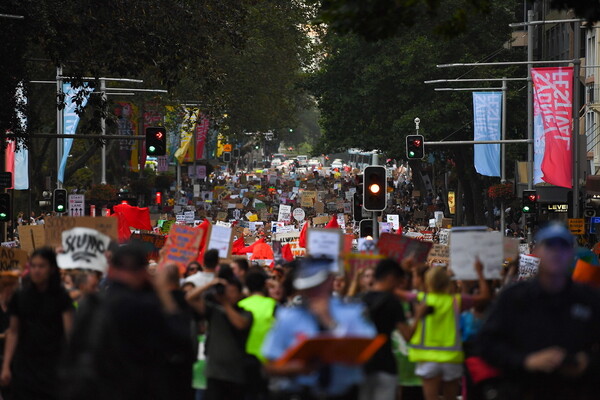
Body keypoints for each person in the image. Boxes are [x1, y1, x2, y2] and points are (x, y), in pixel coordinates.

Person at [478, 224, 600, 399]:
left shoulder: (589, 299)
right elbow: (487, 344)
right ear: (537, 251)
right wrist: (525, 361)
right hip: (525, 389)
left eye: (563, 246)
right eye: (550, 245)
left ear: (571, 254)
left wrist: (587, 362)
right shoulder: (514, 298)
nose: (557, 252)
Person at [61, 242, 193, 400]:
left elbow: (74, 352)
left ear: (110, 270)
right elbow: (182, 339)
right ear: (143, 273)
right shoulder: (149, 307)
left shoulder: (92, 304)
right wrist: (163, 294)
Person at [262, 257, 376, 400]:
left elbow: (368, 352)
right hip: (302, 393)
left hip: (343, 393)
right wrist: (299, 368)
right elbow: (269, 367)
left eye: (318, 286)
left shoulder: (351, 312)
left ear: (329, 281)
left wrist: (329, 321)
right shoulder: (288, 317)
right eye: (309, 288)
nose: (314, 292)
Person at [400, 261, 490, 400]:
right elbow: (484, 297)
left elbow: (394, 292)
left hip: (427, 358)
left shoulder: (421, 298)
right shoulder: (456, 301)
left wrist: (405, 269)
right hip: (451, 358)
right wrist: (480, 273)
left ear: (427, 282)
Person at [1, 248, 74, 400]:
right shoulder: (20, 297)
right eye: (33, 266)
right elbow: (14, 331)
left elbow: (70, 332)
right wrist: (6, 365)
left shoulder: (61, 297)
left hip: (53, 366)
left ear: (51, 268)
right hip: (26, 367)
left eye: (41, 266)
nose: (36, 270)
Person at [186, 266, 252, 400]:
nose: (229, 295)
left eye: (233, 292)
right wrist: (210, 284)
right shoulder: (214, 310)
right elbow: (190, 298)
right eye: (227, 291)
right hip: (214, 372)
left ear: (240, 294)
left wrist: (225, 304)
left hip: (236, 373)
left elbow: (240, 325)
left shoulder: (246, 313)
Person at [359, 259, 419, 400]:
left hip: (363, 364)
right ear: (391, 277)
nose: (398, 286)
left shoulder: (361, 300)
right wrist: (419, 315)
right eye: (398, 281)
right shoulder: (392, 302)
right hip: (385, 364)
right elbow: (407, 335)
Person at [238, 267, 278, 399]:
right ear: (264, 285)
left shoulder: (240, 305)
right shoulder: (273, 305)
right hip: (267, 360)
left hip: (242, 359)